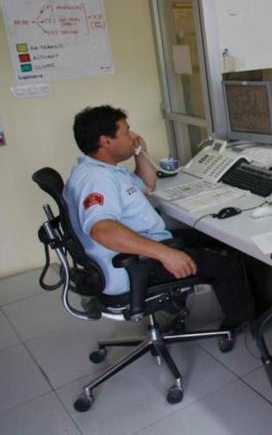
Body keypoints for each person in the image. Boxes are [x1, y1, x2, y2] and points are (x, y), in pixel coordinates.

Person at [63, 105, 254, 328]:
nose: (132, 136)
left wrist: (141, 153)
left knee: (221, 240)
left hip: (140, 247)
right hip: (131, 267)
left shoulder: (104, 170)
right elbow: (102, 229)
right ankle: (243, 320)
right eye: (126, 132)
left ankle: (237, 300)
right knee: (226, 263)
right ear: (106, 141)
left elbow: (147, 185)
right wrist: (166, 254)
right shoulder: (96, 179)